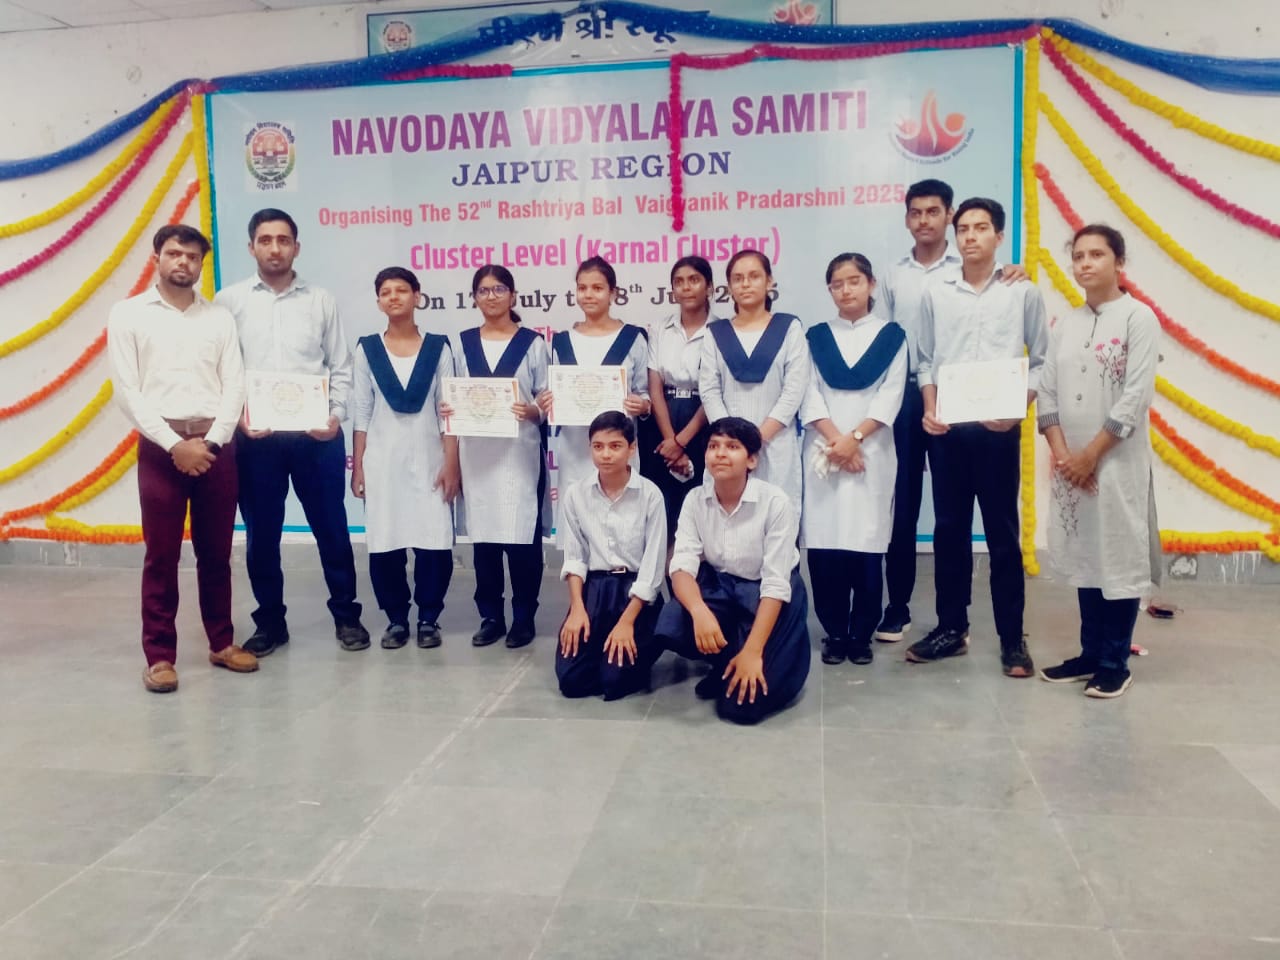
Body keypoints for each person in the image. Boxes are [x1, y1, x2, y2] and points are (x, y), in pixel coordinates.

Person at [106, 224, 257, 692]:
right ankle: (159, 656)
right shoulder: (128, 315)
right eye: (174, 253)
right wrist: (175, 445)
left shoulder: (219, 318)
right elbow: (127, 391)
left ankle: (221, 642)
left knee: (216, 552)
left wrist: (211, 443)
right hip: (161, 448)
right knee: (162, 555)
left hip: (215, 447)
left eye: (192, 257)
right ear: (157, 257)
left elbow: (235, 383)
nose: (183, 263)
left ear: (200, 264)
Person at [875, 179, 1027, 644]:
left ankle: (1000, 633)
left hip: (977, 410)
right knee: (907, 506)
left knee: (978, 522)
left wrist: (1014, 406)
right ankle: (902, 608)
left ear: (950, 216)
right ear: (907, 219)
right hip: (913, 397)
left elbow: (1035, 356)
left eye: (934, 212)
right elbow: (892, 342)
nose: (924, 220)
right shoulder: (895, 275)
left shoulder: (991, 277)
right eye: (915, 212)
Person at [216, 208, 370, 655]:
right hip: (256, 438)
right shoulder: (229, 302)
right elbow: (222, 369)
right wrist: (238, 419)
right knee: (261, 535)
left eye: (283, 240)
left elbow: (340, 365)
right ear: (251, 247)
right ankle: (270, 623)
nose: (275, 248)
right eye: (265, 240)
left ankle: (347, 617)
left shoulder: (320, 300)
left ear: (296, 247)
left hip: (315, 437)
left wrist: (335, 416)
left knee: (332, 530)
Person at [911, 197, 1048, 677]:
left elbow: (1042, 360)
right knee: (949, 531)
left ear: (999, 236)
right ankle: (951, 628)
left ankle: (1013, 639)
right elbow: (925, 359)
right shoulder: (936, 292)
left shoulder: (1021, 292)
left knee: (1002, 535)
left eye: (981, 227)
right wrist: (930, 408)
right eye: (964, 228)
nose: (970, 236)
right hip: (948, 430)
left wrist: (1016, 409)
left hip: (998, 432)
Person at [1037, 225, 1160, 698]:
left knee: (1118, 555)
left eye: (1097, 255)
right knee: (1086, 553)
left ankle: (1114, 662)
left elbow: (1136, 396)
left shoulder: (1138, 318)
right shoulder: (1066, 324)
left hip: (1115, 461)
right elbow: (1048, 390)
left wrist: (1090, 456)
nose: (1085, 263)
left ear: (1119, 263)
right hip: (1071, 465)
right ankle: (1089, 654)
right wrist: (1064, 456)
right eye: (1079, 256)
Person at [655, 417, 811, 725]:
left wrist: (753, 651)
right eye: (713, 446)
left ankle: (772, 654)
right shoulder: (695, 500)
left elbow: (775, 583)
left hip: (768, 595)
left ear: (752, 460)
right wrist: (699, 612)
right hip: (723, 587)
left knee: (741, 709)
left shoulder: (775, 503)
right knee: (673, 621)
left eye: (732, 446)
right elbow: (681, 565)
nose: (720, 453)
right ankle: (724, 661)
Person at [802, 253, 908, 666]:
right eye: (837, 284)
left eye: (854, 281)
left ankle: (861, 633)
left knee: (866, 544)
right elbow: (808, 393)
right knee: (825, 544)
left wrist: (857, 438)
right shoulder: (815, 338)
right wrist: (838, 441)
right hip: (824, 451)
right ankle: (835, 632)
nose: (846, 290)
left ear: (871, 284)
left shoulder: (891, 337)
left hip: (872, 453)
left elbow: (891, 395)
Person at [351, 267, 460, 650]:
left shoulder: (438, 348)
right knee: (386, 541)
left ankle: (429, 617)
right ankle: (396, 619)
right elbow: (362, 411)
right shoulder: (367, 349)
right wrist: (358, 465)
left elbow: (449, 410)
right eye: (386, 292)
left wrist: (451, 463)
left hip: (430, 459)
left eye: (401, 290)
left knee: (434, 542)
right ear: (378, 301)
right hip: (383, 461)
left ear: (417, 296)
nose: (394, 297)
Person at [446, 264, 550, 649]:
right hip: (476, 456)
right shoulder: (461, 344)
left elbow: (546, 398)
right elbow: (451, 394)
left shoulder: (533, 344)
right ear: (474, 298)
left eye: (499, 289)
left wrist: (534, 411)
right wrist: (448, 409)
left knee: (523, 542)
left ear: (513, 295)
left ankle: (524, 617)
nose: (491, 296)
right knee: (485, 541)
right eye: (484, 290)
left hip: (519, 457)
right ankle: (491, 616)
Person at [556, 411, 667, 699]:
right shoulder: (576, 494)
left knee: (614, 682)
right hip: (595, 589)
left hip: (636, 593)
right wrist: (577, 609)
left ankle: (642, 645)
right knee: (571, 682)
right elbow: (575, 557)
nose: (606, 454)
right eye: (598, 446)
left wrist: (627, 622)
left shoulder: (650, 495)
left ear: (632, 448)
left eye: (615, 446)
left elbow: (653, 568)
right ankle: (603, 652)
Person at [699, 250, 809, 515]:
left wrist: (755, 440)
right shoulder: (716, 333)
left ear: (769, 282)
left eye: (754, 276)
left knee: (776, 515)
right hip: (726, 448)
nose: (745, 284)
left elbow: (794, 390)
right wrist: (731, 442)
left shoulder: (789, 328)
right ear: (729, 288)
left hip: (775, 443)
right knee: (724, 519)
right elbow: (709, 390)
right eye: (738, 279)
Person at [537, 257, 650, 500]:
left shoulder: (633, 338)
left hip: (619, 450)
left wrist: (642, 405)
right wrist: (546, 402)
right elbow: (551, 393)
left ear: (613, 293)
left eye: (597, 288)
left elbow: (644, 394)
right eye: (582, 288)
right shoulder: (561, 342)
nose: (588, 295)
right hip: (575, 450)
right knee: (576, 511)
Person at [641, 255, 719, 545]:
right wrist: (670, 440)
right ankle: (662, 573)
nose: (686, 287)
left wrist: (682, 442)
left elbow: (713, 390)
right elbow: (655, 387)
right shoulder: (660, 328)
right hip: (662, 422)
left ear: (709, 287)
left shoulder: (722, 330)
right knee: (663, 512)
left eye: (694, 280)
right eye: (679, 282)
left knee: (701, 511)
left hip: (704, 418)